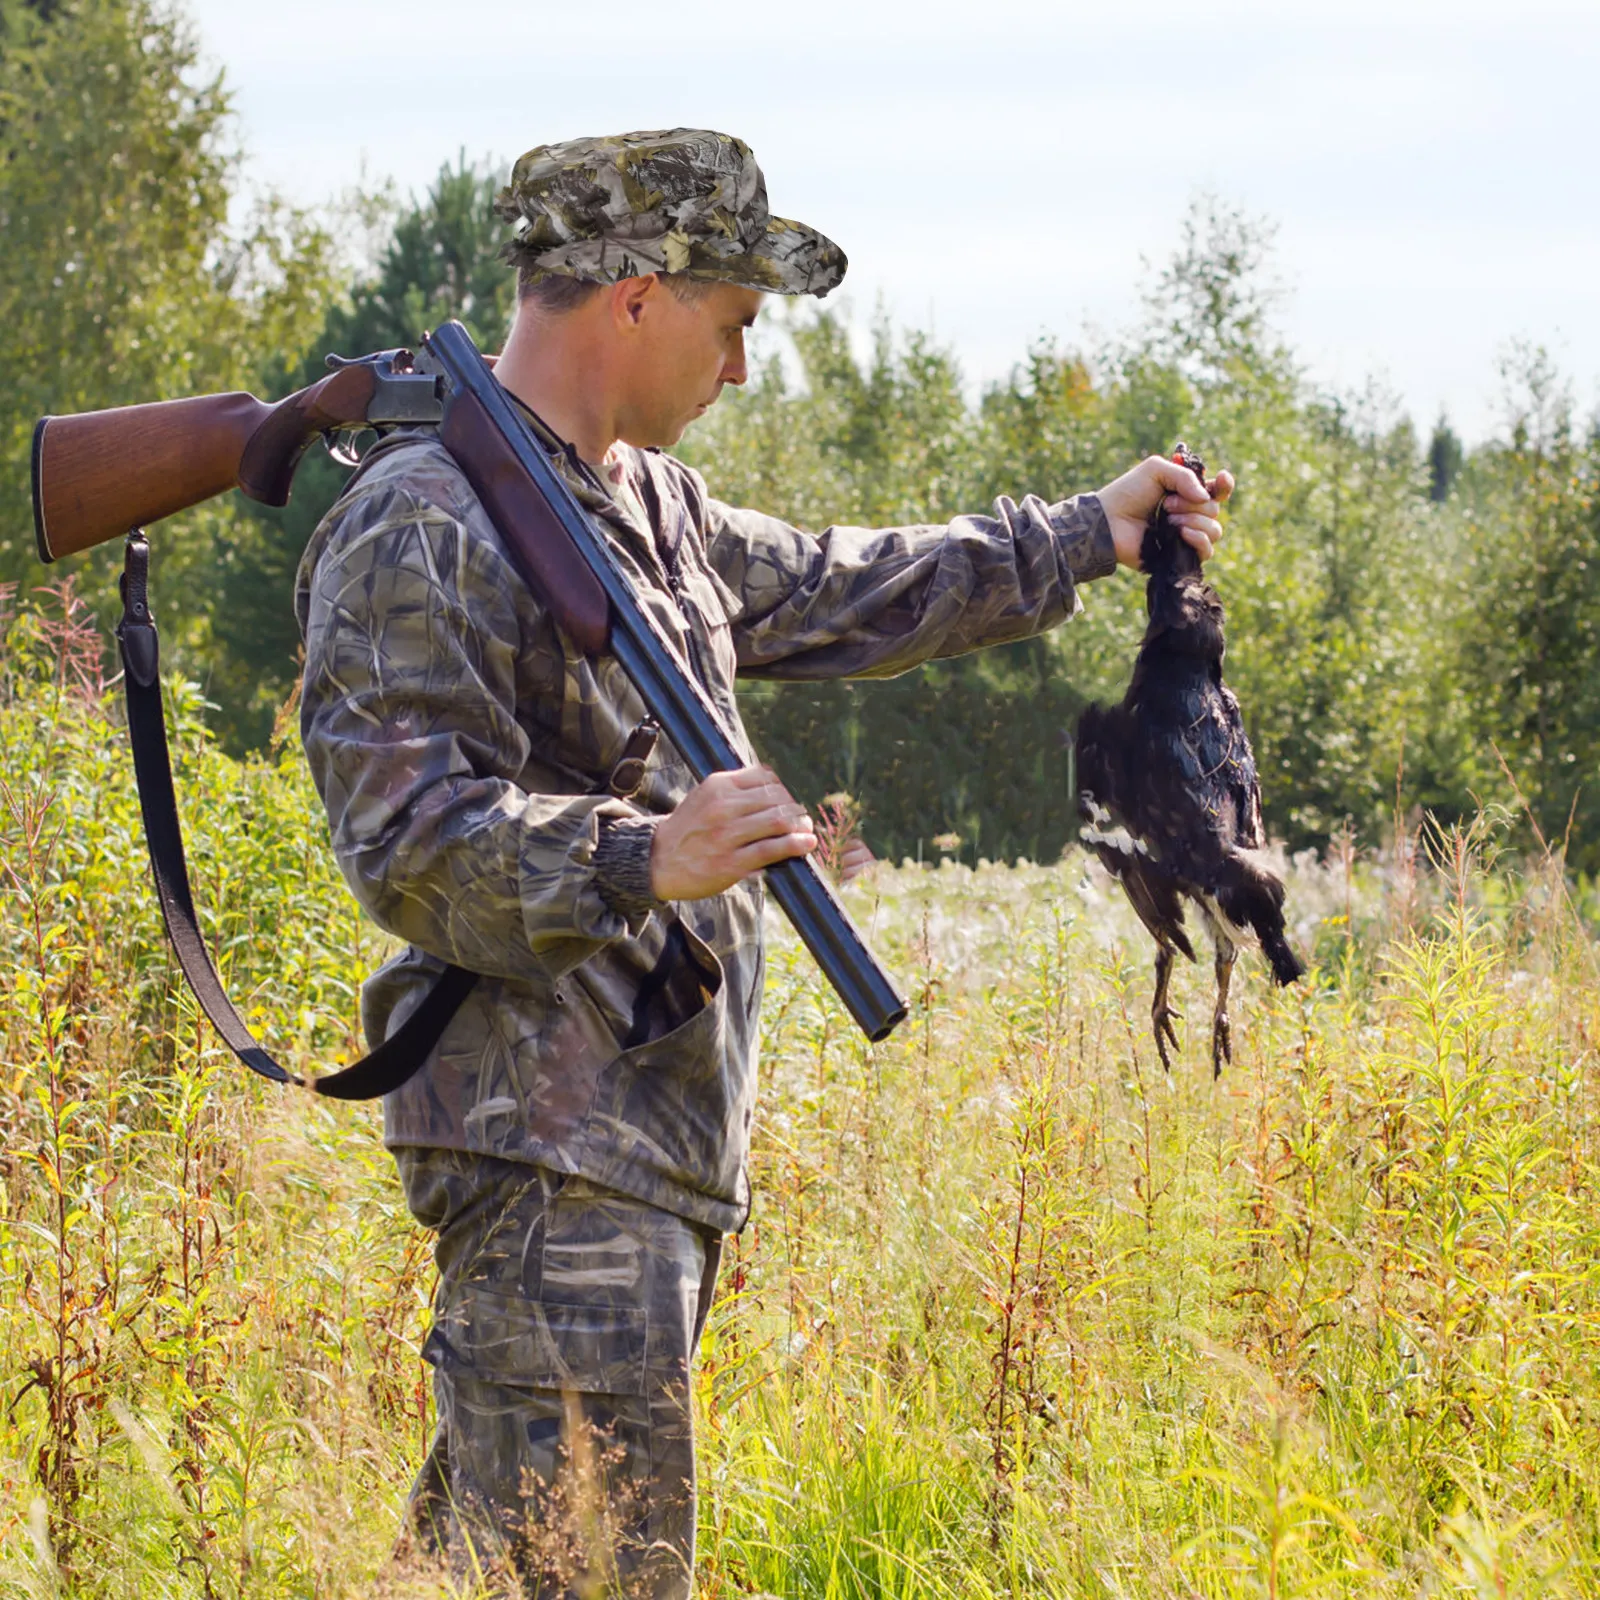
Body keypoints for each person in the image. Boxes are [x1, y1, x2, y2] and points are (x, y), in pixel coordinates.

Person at [294, 128, 1231, 1598]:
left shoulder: (644, 505)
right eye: (732, 326)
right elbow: (406, 843)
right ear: (638, 296)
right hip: (553, 1170)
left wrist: (1085, 538)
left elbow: (850, 585)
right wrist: (639, 853)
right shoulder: (425, 521)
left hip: (642, 1162)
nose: (739, 371)